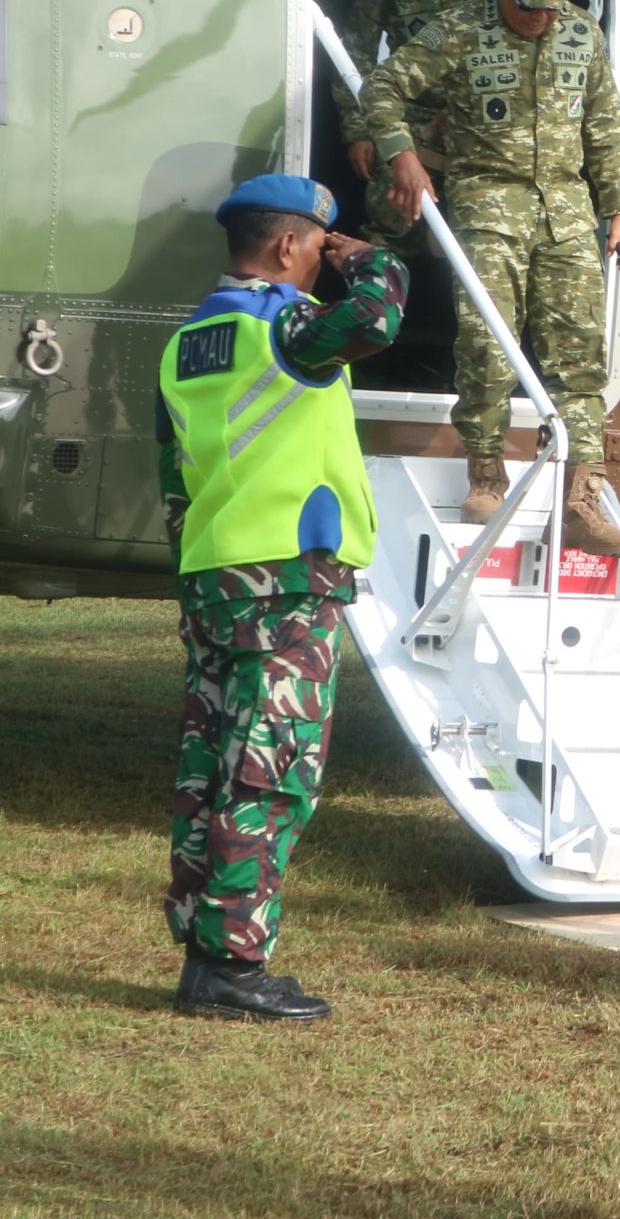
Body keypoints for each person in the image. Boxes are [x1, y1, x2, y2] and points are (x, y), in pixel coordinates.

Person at [155, 174, 409, 1022]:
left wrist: (199, 569)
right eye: (316, 246)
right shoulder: (287, 325)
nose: (321, 262)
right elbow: (378, 316)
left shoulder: (189, 337)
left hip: (216, 578)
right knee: (270, 777)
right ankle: (232, 967)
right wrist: (370, 257)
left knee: (212, 768)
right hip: (287, 583)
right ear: (289, 245)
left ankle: (204, 950)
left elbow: (174, 474)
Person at [365, 0, 620, 557]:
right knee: (488, 343)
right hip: (489, 205)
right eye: (526, 5)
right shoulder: (459, 30)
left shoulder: (581, 34)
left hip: (567, 214)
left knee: (580, 358)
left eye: (549, 6)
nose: (539, 19)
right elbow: (383, 88)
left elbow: (602, 128)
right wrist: (403, 156)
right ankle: (484, 472)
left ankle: (582, 502)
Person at [330, 0, 519, 256]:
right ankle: (375, 307)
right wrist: (359, 130)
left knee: (496, 234)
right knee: (391, 217)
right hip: (413, 116)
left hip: (493, 112)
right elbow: (356, 47)